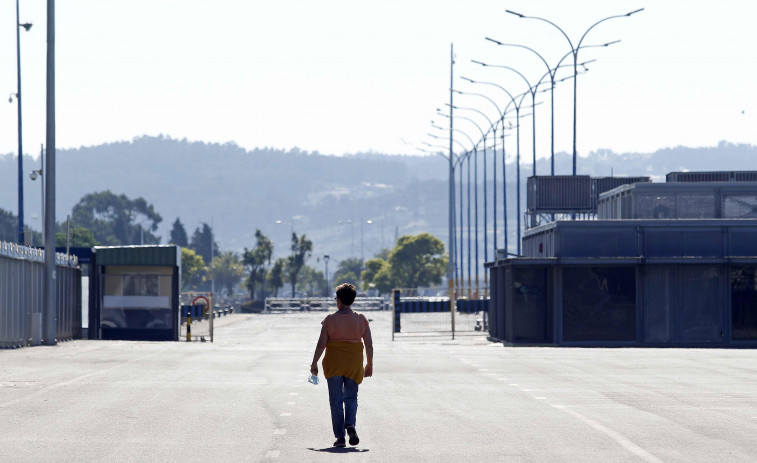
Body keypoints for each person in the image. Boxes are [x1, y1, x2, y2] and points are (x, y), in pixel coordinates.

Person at [310, 283, 373, 448]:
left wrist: (314, 363)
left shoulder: (330, 320)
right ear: (352, 301)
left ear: (338, 301)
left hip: (334, 364)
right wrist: (369, 364)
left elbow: (321, 345)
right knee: (351, 398)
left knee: (336, 401)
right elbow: (369, 345)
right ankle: (350, 424)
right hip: (354, 364)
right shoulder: (361, 319)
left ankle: (340, 437)